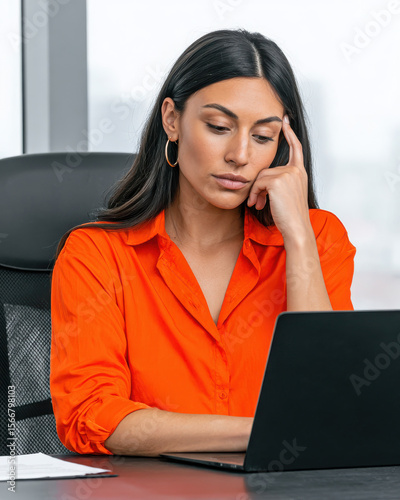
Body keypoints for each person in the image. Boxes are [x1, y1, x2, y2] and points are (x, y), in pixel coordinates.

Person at [50, 28, 356, 457]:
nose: (240, 154)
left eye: (264, 137)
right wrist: (267, 430)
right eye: (218, 127)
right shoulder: (98, 256)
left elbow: (332, 403)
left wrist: (299, 239)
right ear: (172, 120)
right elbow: (91, 417)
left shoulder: (317, 238)